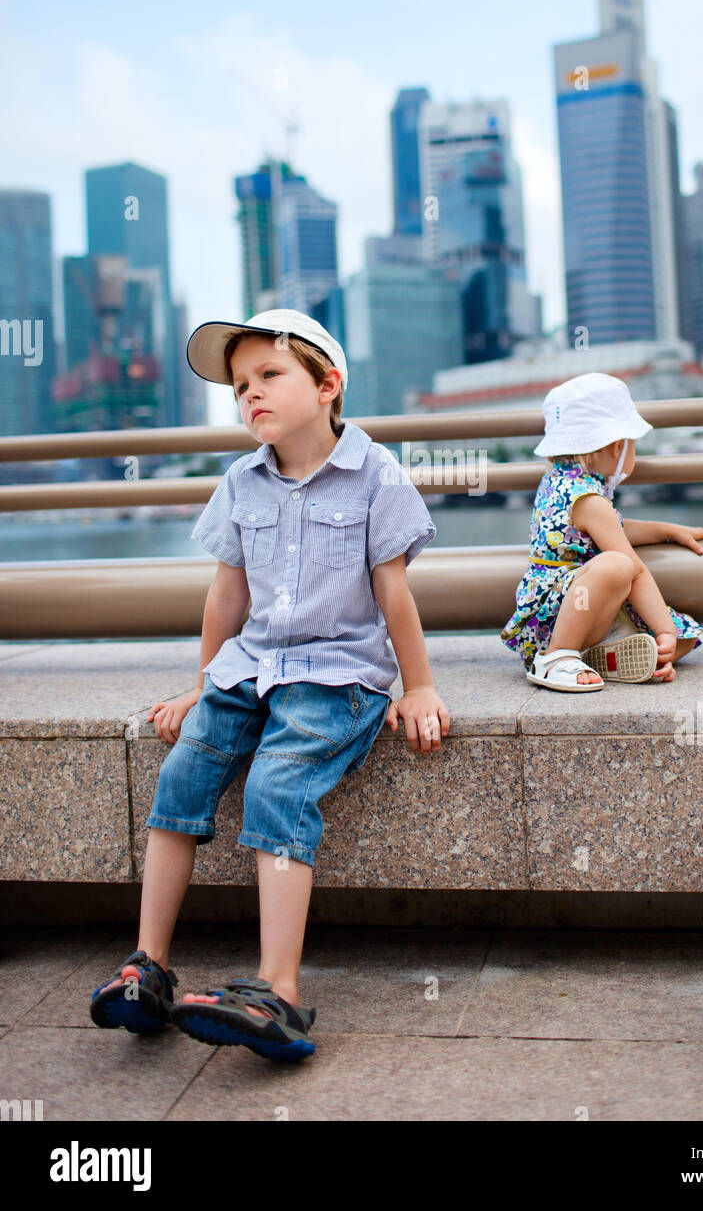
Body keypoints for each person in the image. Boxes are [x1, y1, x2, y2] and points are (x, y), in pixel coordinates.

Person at [90, 309, 449, 1062]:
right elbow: (226, 598)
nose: (250, 393)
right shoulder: (241, 481)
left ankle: (277, 992)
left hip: (336, 674)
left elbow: (394, 593)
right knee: (184, 770)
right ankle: (146, 966)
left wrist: (417, 687)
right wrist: (201, 685)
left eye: (270, 376)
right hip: (248, 669)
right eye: (239, 385)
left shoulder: (375, 472)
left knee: (277, 790)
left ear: (328, 386)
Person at [501, 373, 703, 692]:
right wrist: (664, 630)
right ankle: (557, 658)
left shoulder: (559, 481)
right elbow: (636, 571)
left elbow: (612, 529)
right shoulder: (588, 498)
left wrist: (668, 531)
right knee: (620, 566)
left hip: (564, 605)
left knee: (688, 639)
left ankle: (601, 655)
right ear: (617, 447)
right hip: (562, 615)